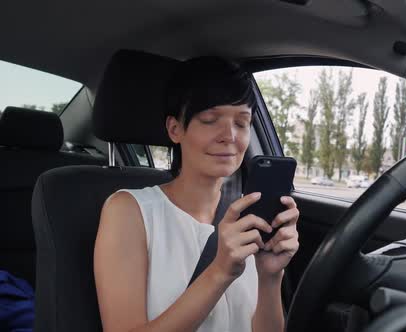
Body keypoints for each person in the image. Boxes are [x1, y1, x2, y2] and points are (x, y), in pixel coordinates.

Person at [94, 57, 300, 332]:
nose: (229, 135)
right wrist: (219, 272)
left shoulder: (249, 216)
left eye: (242, 123)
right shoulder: (128, 211)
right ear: (175, 129)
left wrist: (270, 277)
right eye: (210, 120)